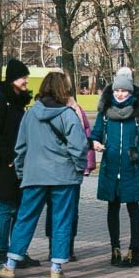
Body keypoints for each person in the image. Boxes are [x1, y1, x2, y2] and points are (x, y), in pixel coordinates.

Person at [0, 71, 88, 278]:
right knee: (61, 220)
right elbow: (79, 146)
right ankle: (56, 268)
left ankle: (10, 265)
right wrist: (78, 168)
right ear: (63, 89)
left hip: (34, 175)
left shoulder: (30, 114)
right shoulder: (68, 114)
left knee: (25, 218)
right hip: (64, 176)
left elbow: (21, 147)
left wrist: (21, 172)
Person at [90, 67, 139, 268]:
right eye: (117, 90)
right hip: (110, 167)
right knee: (112, 208)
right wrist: (95, 143)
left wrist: (137, 153)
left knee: (133, 209)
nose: (119, 94)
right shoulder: (105, 113)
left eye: (124, 91)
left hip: (131, 168)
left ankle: (134, 249)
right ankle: (115, 248)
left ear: (130, 92)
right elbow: (95, 134)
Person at [0, 59, 40, 270]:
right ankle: (2, 252)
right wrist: (9, 158)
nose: (25, 80)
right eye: (21, 77)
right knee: (7, 208)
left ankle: (17, 251)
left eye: (25, 76)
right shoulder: (1, 101)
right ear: (12, 80)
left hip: (20, 163)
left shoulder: (19, 102)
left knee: (20, 208)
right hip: (5, 164)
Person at [45, 79, 96, 260]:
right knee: (67, 209)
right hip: (68, 168)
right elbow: (82, 140)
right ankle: (63, 248)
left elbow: (83, 137)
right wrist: (83, 164)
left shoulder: (69, 109)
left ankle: (60, 247)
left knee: (58, 209)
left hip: (55, 168)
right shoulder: (72, 110)